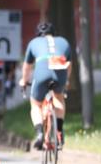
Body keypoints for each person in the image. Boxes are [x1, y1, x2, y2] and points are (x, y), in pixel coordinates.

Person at [19, 21, 72, 150]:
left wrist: (24, 81)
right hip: (60, 69)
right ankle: (59, 132)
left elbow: (27, 67)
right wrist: (67, 80)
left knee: (35, 103)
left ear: (38, 35)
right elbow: (69, 65)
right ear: (53, 33)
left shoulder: (34, 42)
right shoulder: (63, 41)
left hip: (42, 70)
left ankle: (39, 133)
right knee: (58, 97)